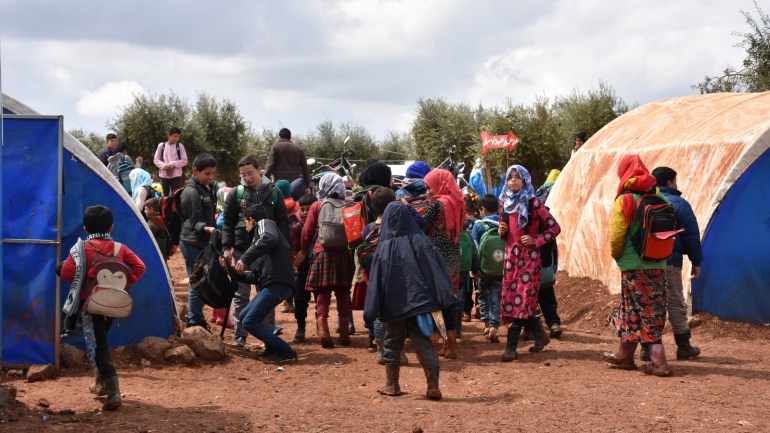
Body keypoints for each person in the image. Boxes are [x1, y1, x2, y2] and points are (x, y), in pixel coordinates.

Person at [364, 201, 456, 400]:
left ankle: (392, 384)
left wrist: (369, 313)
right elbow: (436, 272)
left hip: (393, 307)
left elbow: (376, 283)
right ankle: (433, 386)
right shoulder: (423, 242)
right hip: (421, 304)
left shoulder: (383, 248)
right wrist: (446, 298)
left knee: (392, 343)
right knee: (423, 343)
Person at [60, 205, 146, 410]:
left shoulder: (82, 249)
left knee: (97, 345)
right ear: (111, 227)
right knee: (100, 340)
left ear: (85, 229)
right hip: (115, 304)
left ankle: (113, 390)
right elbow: (140, 267)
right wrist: (123, 284)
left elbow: (65, 273)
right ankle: (99, 383)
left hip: (92, 305)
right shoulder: (120, 248)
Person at [602, 155, 673, 377]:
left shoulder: (625, 199)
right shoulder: (659, 195)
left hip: (634, 264)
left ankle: (659, 362)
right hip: (658, 261)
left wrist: (617, 256)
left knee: (643, 310)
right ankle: (625, 356)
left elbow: (616, 236)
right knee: (635, 309)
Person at [222, 155, 289, 347]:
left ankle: (268, 337)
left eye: (250, 173)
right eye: (243, 175)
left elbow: (283, 224)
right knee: (241, 294)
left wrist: (284, 252)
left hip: (267, 254)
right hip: (241, 250)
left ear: (260, 170)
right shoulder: (236, 194)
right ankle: (240, 336)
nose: (247, 178)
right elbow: (227, 223)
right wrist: (227, 248)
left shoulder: (275, 193)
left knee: (266, 294)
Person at [498, 165, 561, 362]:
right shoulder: (504, 203)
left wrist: (536, 240)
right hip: (511, 258)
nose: (513, 181)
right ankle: (541, 335)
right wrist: (502, 231)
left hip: (529, 259)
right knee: (517, 299)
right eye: (510, 177)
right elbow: (505, 233)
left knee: (523, 299)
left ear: (525, 180)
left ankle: (511, 347)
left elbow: (555, 228)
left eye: (518, 177)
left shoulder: (534, 203)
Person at [294, 173, 354, 349]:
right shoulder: (350, 205)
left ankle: (324, 331)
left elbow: (307, 232)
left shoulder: (317, 205)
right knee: (343, 293)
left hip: (323, 253)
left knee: (323, 294)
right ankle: (344, 332)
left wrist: (304, 250)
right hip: (344, 254)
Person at [233, 204, 299, 364]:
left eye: (246, 222)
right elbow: (256, 277)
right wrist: (232, 272)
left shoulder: (264, 224)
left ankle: (285, 351)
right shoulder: (257, 244)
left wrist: (245, 258)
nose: (245, 227)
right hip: (272, 284)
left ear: (252, 220)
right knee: (243, 317)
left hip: (277, 283)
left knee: (249, 320)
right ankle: (271, 348)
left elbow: (269, 238)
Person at [650, 166, 703, 360]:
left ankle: (648, 349)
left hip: (647, 262)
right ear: (670, 182)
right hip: (671, 260)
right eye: (675, 180)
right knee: (674, 301)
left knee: (651, 303)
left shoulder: (645, 202)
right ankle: (683, 346)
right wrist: (696, 261)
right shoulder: (679, 203)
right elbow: (691, 235)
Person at [422, 168, 464, 359]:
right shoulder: (457, 203)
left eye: (429, 187)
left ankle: (439, 342)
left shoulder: (437, 205)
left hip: (435, 257)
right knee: (450, 300)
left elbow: (422, 226)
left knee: (435, 300)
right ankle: (452, 346)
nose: (428, 191)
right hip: (453, 255)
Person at [179, 153, 218, 329]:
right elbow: (195, 221)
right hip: (192, 242)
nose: (210, 177)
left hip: (204, 241)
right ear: (195, 171)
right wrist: (208, 229)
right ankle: (194, 320)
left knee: (204, 280)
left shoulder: (207, 187)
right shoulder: (191, 191)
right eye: (207, 173)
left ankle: (196, 316)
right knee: (197, 281)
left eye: (213, 173)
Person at [472, 193, 503, 343]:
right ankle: (494, 326)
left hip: (483, 268)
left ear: (482, 209)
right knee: (496, 296)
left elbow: (475, 247)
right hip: (501, 267)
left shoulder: (479, 225)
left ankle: (485, 323)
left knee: (483, 294)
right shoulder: (504, 223)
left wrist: (475, 269)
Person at [291, 194, 318, 342]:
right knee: (300, 299)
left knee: (320, 300)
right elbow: (294, 248)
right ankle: (301, 327)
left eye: (309, 209)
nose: (305, 212)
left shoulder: (321, 226)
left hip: (319, 269)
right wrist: (295, 263)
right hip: (302, 271)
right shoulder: (297, 227)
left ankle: (321, 327)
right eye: (302, 209)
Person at [264, 128, 311, 196]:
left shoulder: (275, 147)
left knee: (280, 205)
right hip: (295, 185)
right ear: (290, 137)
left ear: (279, 137)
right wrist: (307, 186)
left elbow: (269, 166)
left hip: (279, 185)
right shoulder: (298, 149)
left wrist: (264, 183)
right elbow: (305, 169)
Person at [153, 126, 189, 196]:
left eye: (178, 137)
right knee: (164, 196)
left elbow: (184, 161)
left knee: (176, 196)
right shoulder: (161, 146)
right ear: (169, 135)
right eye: (175, 136)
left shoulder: (180, 146)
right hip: (164, 176)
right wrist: (165, 166)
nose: (177, 139)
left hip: (176, 176)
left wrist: (173, 164)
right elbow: (156, 160)